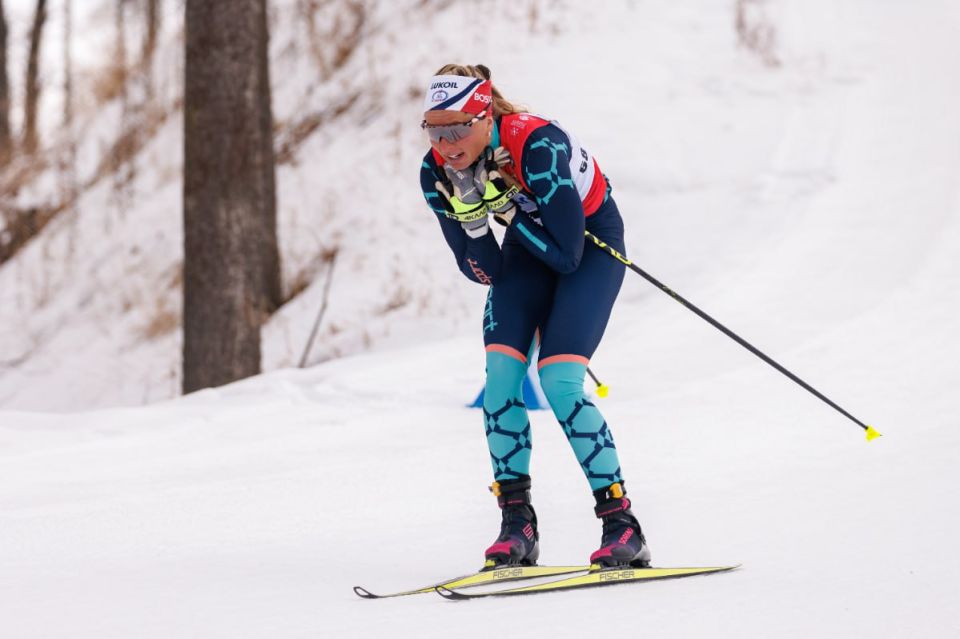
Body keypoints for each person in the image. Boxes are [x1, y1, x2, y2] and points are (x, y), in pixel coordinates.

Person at [418, 64, 651, 570]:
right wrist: (474, 220)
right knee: (501, 379)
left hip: (589, 244)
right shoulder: (435, 172)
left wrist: (507, 209)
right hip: (529, 250)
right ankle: (516, 525)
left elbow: (567, 256)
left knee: (560, 381)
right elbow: (484, 271)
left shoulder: (535, 143)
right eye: (434, 131)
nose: (446, 144)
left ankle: (622, 525)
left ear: (485, 118)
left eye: (457, 128)